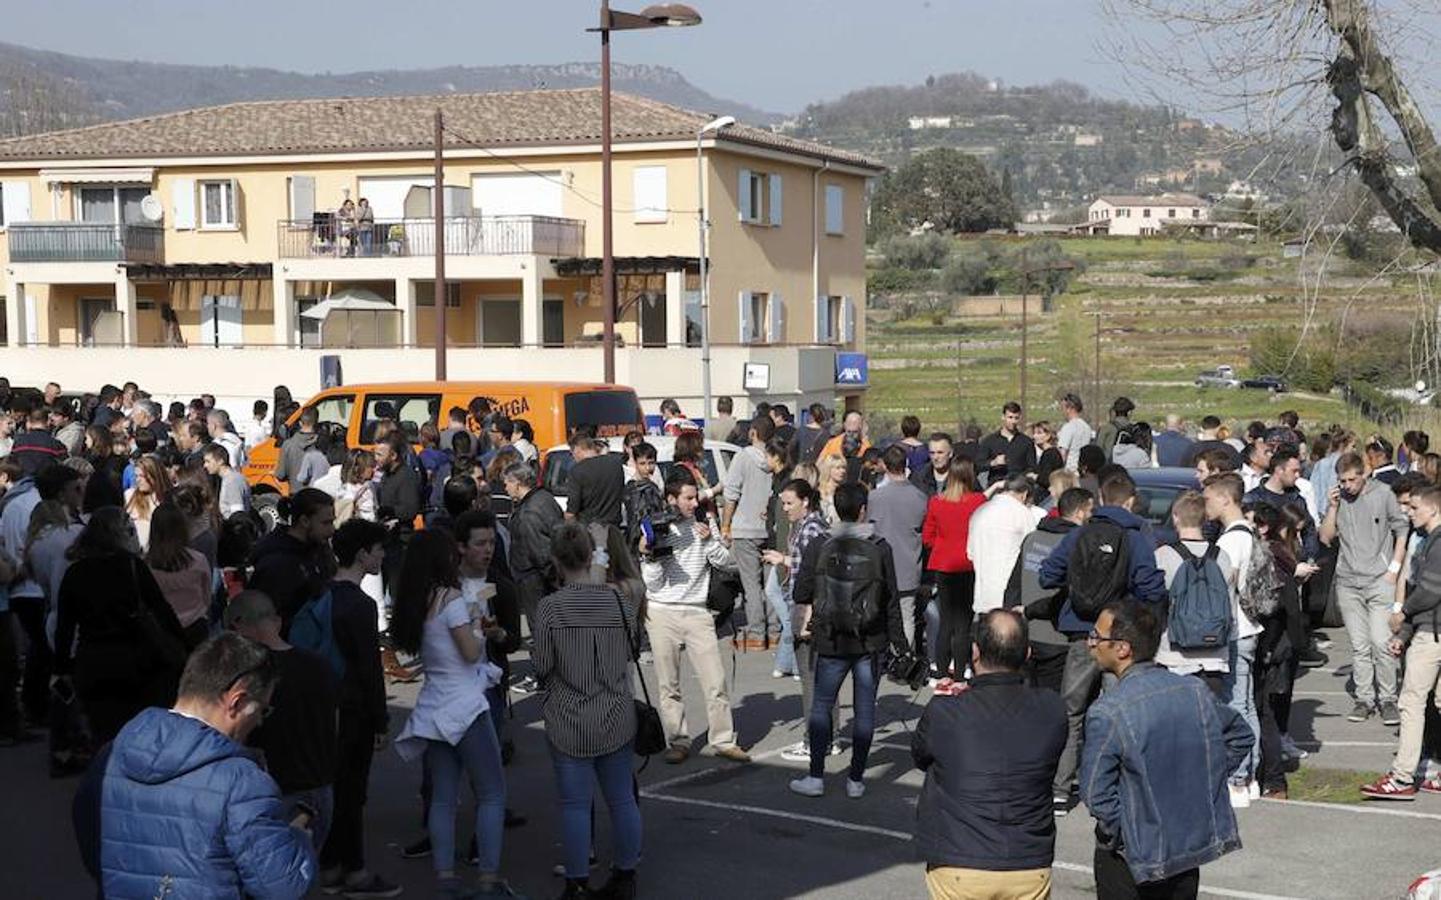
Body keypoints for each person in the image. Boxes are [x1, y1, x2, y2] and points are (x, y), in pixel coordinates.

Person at [85, 633, 317, 898]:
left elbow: (93, 845)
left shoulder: (111, 754)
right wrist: (298, 837)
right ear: (237, 702)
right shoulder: (242, 782)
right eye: (262, 709)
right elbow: (283, 886)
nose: (261, 722)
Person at [1080, 601, 1250, 900]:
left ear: (1122, 649)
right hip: (1185, 848)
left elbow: (1096, 793)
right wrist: (1204, 783)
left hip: (1132, 857)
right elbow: (1239, 735)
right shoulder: (1194, 691)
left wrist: (1127, 830)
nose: (1090, 643)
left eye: (1096, 636)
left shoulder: (1108, 711)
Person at [391, 530, 521, 899]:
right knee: (492, 793)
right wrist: (481, 632)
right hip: (465, 704)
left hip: (433, 705)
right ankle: (488, 881)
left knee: (443, 799)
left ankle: (445, 878)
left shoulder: (419, 599)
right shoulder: (451, 599)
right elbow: (468, 652)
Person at [913, 609, 1067, 900]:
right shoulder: (1052, 709)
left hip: (960, 862)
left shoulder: (946, 711)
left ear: (974, 652)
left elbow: (920, 756)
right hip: (1028, 863)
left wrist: (963, 695)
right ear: (1028, 654)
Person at [1039, 473, 1168, 814]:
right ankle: (1119, 781)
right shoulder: (1136, 537)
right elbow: (1151, 587)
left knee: (1072, 710)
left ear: (1099, 501)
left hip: (1082, 633)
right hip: (1119, 636)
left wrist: (1077, 585)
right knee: (1119, 710)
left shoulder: (1080, 534)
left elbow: (1047, 574)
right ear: (1128, 501)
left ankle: (1059, 788)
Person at [533, 524, 643, 900]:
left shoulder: (550, 607)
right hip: (615, 709)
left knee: (576, 805)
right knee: (622, 799)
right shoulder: (618, 602)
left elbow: (543, 664)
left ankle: (577, 881)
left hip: (570, 715)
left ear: (556, 561)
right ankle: (626, 875)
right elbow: (634, 649)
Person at [789, 482, 907, 798]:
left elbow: (800, 592)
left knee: (821, 706)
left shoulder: (820, 544)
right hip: (870, 642)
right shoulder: (880, 546)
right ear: (863, 509)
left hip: (829, 639)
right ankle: (856, 779)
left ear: (835, 508)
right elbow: (891, 600)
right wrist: (902, 644)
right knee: (866, 710)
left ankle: (816, 776)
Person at [640, 472, 750, 764]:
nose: (693, 503)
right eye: (687, 498)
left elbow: (727, 562)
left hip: (698, 610)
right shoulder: (657, 527)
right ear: (671, 499)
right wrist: (652, 556)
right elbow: (650, 582)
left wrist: (710, 541)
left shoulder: (704, 521)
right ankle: (678, 740)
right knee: (668, 684)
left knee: (715, 680)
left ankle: (724, 740)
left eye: (694, 497)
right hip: (662, 611)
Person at [52, 507, 188, 744]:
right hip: (135, 658)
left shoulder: (76, 573)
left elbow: (64, 627)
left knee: (102, 734)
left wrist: (62, 667)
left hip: (93, 659)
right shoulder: (132, 566)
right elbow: (161, 609)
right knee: (139, 731)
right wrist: (184, 645)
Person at [224, 591, 341, 858]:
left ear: (238, 626)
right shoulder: (320, 666)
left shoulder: (248, 676)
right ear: (276, 622)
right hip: (318, 787)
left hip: (271, 790)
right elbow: (335, 725)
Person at [319, 519, 400, 896]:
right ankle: (354, 870)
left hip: (326, 703)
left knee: (335, 788)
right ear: (362, 553)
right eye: (378, 548)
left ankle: (331, 865)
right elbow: (370, 669)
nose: (383, 554)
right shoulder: (360, 605)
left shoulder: (322, 594)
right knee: (352, 791)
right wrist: (380, 719)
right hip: (354, 709)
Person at [1362, 483, 1441, 799]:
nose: (1410, 513)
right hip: (1426, 629)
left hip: (1432, 635)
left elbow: (1430, 592)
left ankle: (1402, 777)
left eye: (1415, 508)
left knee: (1410, 703)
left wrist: (1402, 615)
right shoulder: (1427, 542)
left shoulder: (1435, 544)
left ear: (1433, 508)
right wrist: (1404, 633)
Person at [1319, 451, 1409, 725]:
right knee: (1359, 646)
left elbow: (1402, 530)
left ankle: (1389, 698)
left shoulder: (1384, 494)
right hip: (1348, 581)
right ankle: (1364, 698)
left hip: (1379, 579)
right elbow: (1326, 537)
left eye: (1351, 480)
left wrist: (1394, 568)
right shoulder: (1339, 500)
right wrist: (1332, 507)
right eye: (1342, 481)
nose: (1347, 486)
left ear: (1364, 474)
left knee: (1381, 642)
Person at [1203, 472, 1267, 806]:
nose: (1205, 504)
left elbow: (1223, 587)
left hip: (1235, 630)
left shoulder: (1231, 540)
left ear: (1226, 498)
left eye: (1209, 498)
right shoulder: (1248, 531)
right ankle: (1250, 775)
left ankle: (1239, 779)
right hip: (1249, 627)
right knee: (1246, 702)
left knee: (1235, 704)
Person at [1005, 487, 1095, 693]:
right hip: (1059, 636)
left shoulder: (1032, 538)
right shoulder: (1078, 544)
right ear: (1080, 512)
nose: (1093, 516)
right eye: (1091, 510)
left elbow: (1013, 586)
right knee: (1054, 699)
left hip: (1028, 633)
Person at [1153, 491, 1235, 696]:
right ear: (1205, 518)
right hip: (1214, 655)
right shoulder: (1222, 557)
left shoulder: (1163, 556)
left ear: (1175, 517)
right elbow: (1230, 605)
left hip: (1173, 654)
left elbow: (1153, 603)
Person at [922, 458, 987, 681]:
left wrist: (942, 545)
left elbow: (927, 537)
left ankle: (941, 671)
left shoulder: (937, 502)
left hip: (944, 565)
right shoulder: (978, 501)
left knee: (946, 621)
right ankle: (960, 671)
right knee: (964, 623)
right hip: (968, 565)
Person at [503, 462, 564, 687]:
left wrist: (550, 578)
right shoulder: (545, 498)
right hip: (546, 575)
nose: (505, 487)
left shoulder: (529, 512)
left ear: (518, 483)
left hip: (534, 578)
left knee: (540, 628)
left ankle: (545, 676)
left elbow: (540, 553)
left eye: (507, 482)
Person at [868, 445, 931, 656]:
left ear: (884, 465)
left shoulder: (875, 498)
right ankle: (904, 658)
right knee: (906, 615)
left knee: (882, 613)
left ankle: (883, 656)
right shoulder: (920, 497)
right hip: (908, 564)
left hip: (880, 566)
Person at [722, 414, 777, 650]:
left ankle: (756, 633)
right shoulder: (776, 460)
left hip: (745, 528)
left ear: (753, 433)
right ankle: (775, 632)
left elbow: (731, 493)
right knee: (771, 583)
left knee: (751, 584)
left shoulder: (742, 458)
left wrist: (726, 524)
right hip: (770, 528)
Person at [248, 488, 337, 628]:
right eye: (325, 523)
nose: (332, 530)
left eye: (332, 522)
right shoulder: (276, 563)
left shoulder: (318, 550)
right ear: (305, 521)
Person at [145, 501, 214, 648]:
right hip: (195, 628)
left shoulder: (145, 565)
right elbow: (207, 597)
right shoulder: (198, 560)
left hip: (160, 632)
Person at [968, 472, 1037, 616]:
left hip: (983, 595)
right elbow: (1031, 552)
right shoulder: (1023, 514)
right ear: (1024, 494)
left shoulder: (979, 512)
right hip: (1009, 597)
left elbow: (971, 554)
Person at [374, 432, 422, 590]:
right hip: (385, 542)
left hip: (400, 544)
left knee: (398, 592)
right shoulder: (386, 475)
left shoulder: (407, 476)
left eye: (380, 454)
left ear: (393, 455)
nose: (376, 458)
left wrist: (388, 511)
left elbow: (410, 509)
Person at [566, 432, 624, 528]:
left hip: (589, 530)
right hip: (614, 528)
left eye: (571, 453)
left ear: (577, 449)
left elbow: (572, 510)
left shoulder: (577, 471)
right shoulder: (616, 463)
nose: (573, 457)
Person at [978, 401, 1037, 484]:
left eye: (1016, 418)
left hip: (1018, 487)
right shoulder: (990, 441)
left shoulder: (1026, 442)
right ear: (1003, 417)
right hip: (997, 486)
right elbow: (978, 464)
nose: (1013, 421)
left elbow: (1032, 467)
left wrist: (1021, 477)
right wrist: (993, 462)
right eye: (1010, 417)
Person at [275, 407, 319, 493]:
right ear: (316, 423)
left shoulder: (288, 444)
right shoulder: (322, 444)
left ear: (300, 423)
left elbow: (280, 475)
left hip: (295, 495)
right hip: (316, 497)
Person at [203, 442, 252, 519]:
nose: (205, 465)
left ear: (220, 461)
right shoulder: (228, 479)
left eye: (208, 461)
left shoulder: (232, 481)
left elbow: (238, 515)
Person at [1056, 393, 1094, 474]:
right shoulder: (1087, 427)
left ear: (1070, 408)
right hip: (1082, 470)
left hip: (1069, 471)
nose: (1062, 411)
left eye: (1063, 408)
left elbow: (1062, 453)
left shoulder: (1068, 427)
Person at [910, 432, 954, 498]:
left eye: (940, 452)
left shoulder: (961, 477)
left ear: (950, 453)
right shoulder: (919, 477)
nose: (935, 457)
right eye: (932, 453)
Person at [1096, 397, 1135, 462]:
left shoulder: (1105, 429)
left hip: (1109, 467)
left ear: (1114, 412)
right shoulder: (1135, 430)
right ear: (1129, 413)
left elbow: (1097, 451)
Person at [1031, 421, 1063, 490]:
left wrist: (1034, 476)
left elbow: (1047, 479)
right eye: (1034, 433)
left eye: (1039, 433)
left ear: (1048, 435)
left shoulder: (1049, 454)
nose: (1035, 436)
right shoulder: (1052, 452)